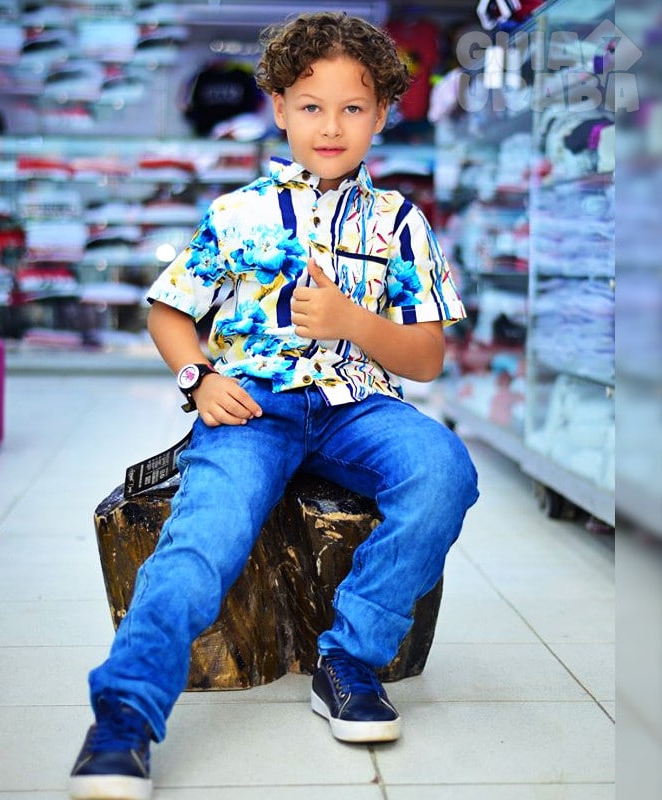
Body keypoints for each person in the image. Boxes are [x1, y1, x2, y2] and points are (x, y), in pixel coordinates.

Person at [68, 11, 479, 800]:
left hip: (359, 405)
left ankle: (349, 659)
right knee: (205, 537)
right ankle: (124, 713)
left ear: (382, 115)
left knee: (444, 472)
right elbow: (169, 313)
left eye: (353, 107)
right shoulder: (238, 214)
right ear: (280, 108)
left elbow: (426, 358)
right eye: (312, 106)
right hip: (252, 406)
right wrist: (197, 379)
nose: (332, 126)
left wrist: (354, 322)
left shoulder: (401, 224)